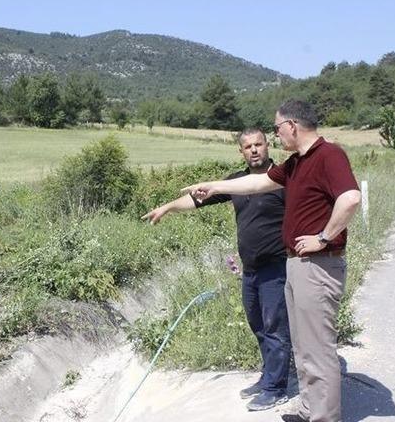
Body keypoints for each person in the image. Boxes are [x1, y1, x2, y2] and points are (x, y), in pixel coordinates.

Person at [184, 100, 361, 422]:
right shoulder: (297, 162)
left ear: (292, 125)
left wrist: (323, 237)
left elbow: (350, 198)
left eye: (277, 128)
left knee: (317, 350)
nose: (276, 135)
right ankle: (310, 410)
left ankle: (323, 417)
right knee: (305, 347)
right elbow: (256, 183)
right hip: (299, 264)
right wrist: (214, 187)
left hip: (318, 265)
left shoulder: (328, 155)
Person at [142, 127, 292, 412]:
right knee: (258, 326)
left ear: (268, 144)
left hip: (277, 266)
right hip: (250, 269)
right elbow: (199, 199)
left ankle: (276, 388)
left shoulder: (280, 179)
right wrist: (168, 207)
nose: (254, 150)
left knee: (275, 328)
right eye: (248, 146)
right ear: (241, 151)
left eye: (259, 144)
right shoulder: (236, 181)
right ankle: (268, 376)